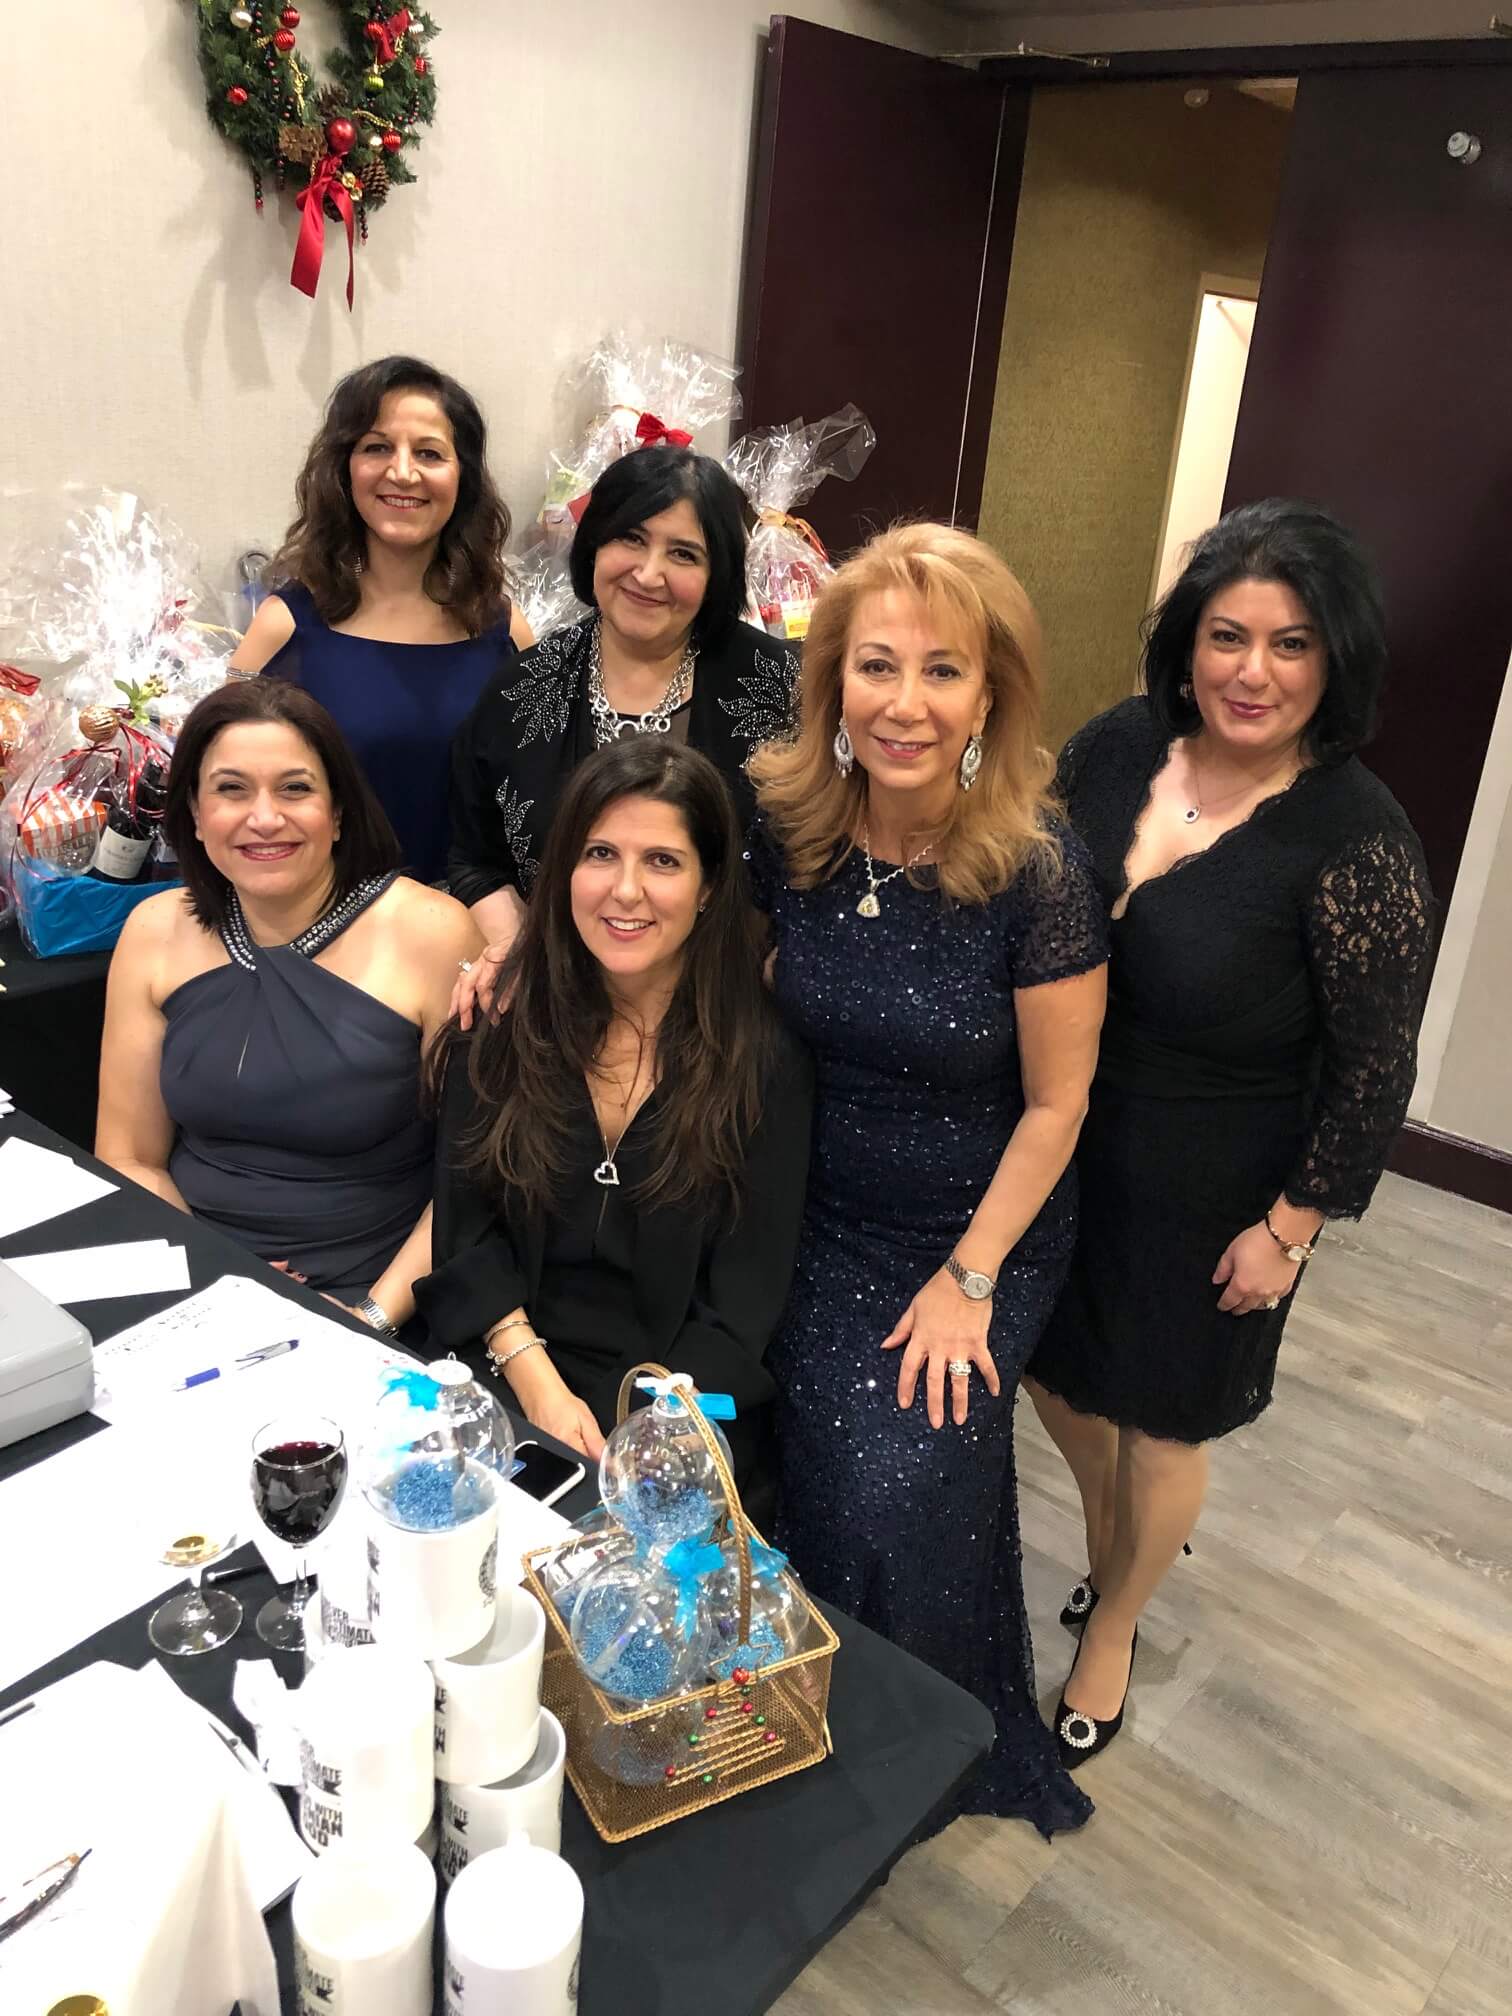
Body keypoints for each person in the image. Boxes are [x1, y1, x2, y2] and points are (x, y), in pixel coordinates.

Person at [1025, 499, 1435, 1769]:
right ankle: (1118, 1537)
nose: (1253, 671)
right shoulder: (1117, 745)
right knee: (1050, 1368)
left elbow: (1375, 1069)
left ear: (1335, 659)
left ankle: (1115, 1624)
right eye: (1227, 636)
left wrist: (1290, 1231)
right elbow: (1027, 880)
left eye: (1291, 643)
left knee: (1164, 1426)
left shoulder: (1357, 839)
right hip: (1064, 1135)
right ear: (1188, 644)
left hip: (1219, 1185)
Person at [745, 522, 1109, 1836]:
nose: (905, 703)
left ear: (990, 696)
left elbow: (1060, 1106)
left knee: (893, 1476)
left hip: (976, 1226)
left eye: (942, 671)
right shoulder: (792, 831)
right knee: (769, 1439)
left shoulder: (1037, 870)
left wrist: (970, 1279)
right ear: (833, 682)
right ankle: (786, 1712)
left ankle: (914, 1743)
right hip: (814, 1209)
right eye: (877, 666)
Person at [416, 738, 813, 1512]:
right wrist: (538, 1385)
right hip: (500, 1363)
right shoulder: (501, 1020)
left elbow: (745, 1301)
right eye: (600, 854)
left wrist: (629, 1431)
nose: (625, 891)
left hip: (674, 1406)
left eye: (663, 861)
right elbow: (464, 1231)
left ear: (708, 887)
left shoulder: (764, 1061)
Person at [96, 679, 481, 1314]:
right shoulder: (154, 930)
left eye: (295, 789)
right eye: (231, 789)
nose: (265, 817)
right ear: (194, 813)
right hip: (192, 1276)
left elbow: (474, 1176)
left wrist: (373, 1316)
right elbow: (130, 1157)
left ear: (339, 811)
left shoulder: (432, 933)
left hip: (380, 1295)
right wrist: (215, 1278)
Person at [447, 444, 798, 966]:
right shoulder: (520, 692)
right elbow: (476, 861)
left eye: (683, 554)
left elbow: (819, 854)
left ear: (716, 573)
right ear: (595, 543)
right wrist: (520, 957)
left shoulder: (781, 688)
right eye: (631, 538)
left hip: (732, 991)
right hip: (559, 983)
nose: (649, 574)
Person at [230, 356, 531, 885]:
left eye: (429, 453)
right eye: (377, 447)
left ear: (463, 475)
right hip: (323, 918)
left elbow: (531, 802)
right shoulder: (283, 628)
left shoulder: (504, 632)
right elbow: (231, 796)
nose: (403, 472)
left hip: (470, 921)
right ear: (344, 467)